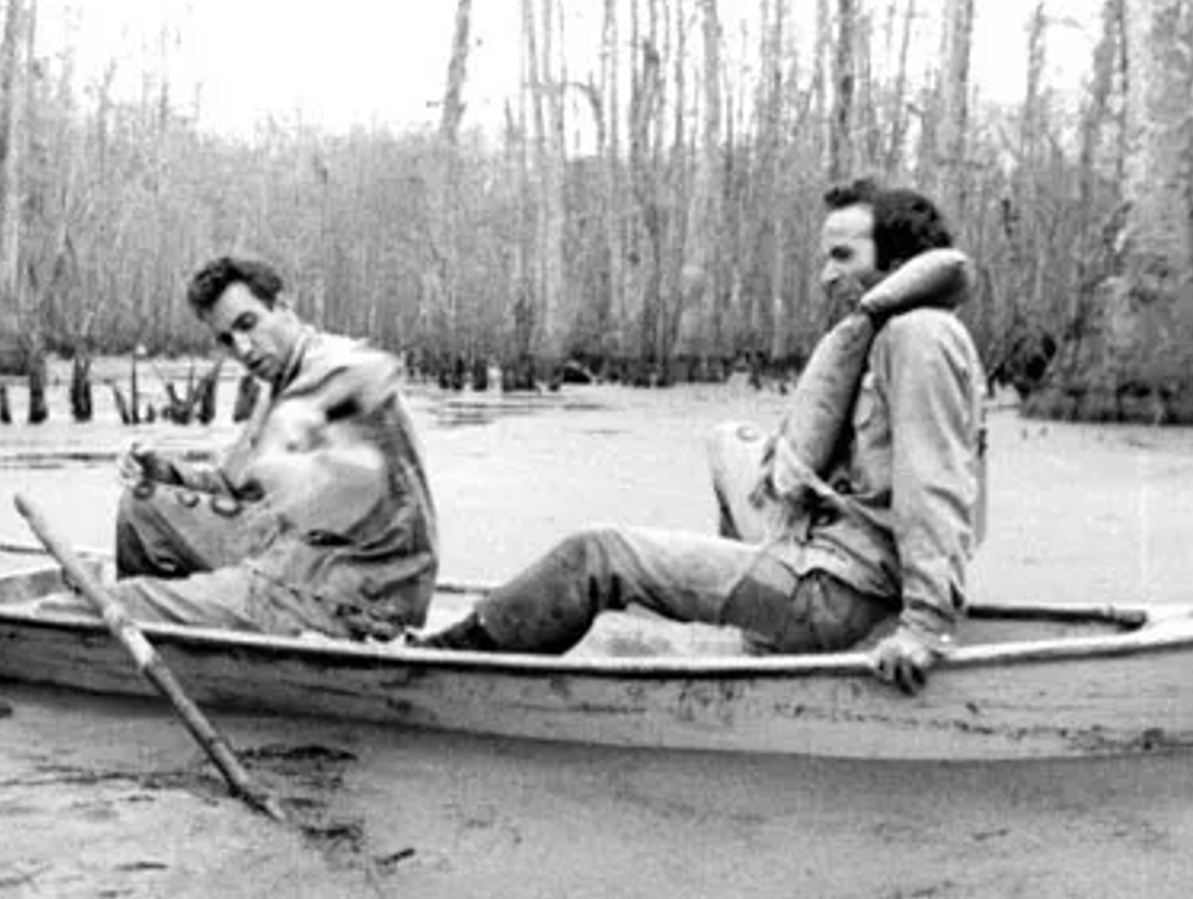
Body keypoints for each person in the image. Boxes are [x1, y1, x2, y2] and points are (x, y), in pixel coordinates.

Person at [415, 179, 985, 694]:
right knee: (729, 443)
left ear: (901, 260)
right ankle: (741, 615)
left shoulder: (919, 338)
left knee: (599, 553)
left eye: (843, 256)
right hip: (817, 556)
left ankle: (438, 664)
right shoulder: (889, 333)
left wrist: (925, 627)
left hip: (835, 597)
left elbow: (935, 488)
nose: (826, 276)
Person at [109, 256, 438, 639]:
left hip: (357, 590)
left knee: (126, 601)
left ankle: (183, 622)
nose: (244, 349)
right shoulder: (276, 386)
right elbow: (232, 487)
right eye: (228, 339)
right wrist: (160, 471)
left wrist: (313, 412)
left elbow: (377, 372)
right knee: (142, 508)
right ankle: (190, 640)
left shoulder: (333, 363)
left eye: (248, 324)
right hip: (287, 547)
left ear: (283, 306)